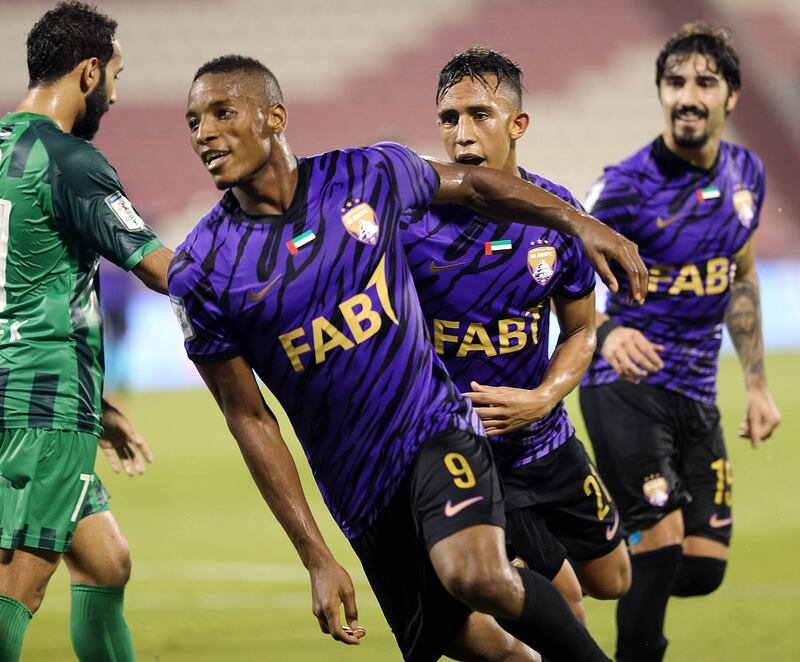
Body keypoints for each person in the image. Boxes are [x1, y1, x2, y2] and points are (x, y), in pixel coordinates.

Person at [169, 54, 645, 662]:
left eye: (221, 113)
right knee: (484, 647)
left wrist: (579, 225)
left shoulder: (368, 174)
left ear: (273, 117)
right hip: (359, 490)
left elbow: (474, 186)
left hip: (434, 430)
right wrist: (315, 554)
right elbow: (249, 417)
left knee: (479, 575)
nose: (203, 133)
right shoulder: (200, 271)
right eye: (191, 122)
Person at [400, 47, 631, 625]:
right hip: (469, 453)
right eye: (450, 119)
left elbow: (581, 329)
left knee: (613, 579)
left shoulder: (555, 214)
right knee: (562, 606)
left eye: (480, 114)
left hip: (545, 437)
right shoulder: (409, 219)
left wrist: (543, 398)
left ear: (517, 124)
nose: (462, 132)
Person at [578, 21, 782, 662]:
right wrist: (605, 332)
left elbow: (741, 278)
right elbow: (554, 269)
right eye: (674, 82)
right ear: (660, 93)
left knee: (701, 567)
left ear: (732, 96)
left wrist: (755, 383)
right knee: (662, 543)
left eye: (704, 81)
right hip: (625, 387)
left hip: (696, 393)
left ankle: (576, 543)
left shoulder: (747, 175)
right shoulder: (627, 188)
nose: (687, 95)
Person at [0, 3, 173, 660]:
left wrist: (97, 407)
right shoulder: (70, 158)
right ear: (89, 71)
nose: (116, 94)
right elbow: (161, 270)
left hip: (28, 393)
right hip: (41, 409)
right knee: (18, 583)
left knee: (104, 561)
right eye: (115, 77)